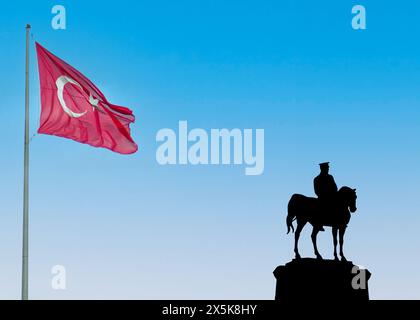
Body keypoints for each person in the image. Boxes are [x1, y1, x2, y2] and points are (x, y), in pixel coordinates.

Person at [313, 162, 338, 230]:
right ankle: (319, 223)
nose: (328, 169)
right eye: (327, 168)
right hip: (322, 198)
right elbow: (317, 191)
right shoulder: (317, 179)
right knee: (320, 209)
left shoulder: (330, 177)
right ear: (322, 169)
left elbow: (335, 188)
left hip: (332, 197)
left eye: (328, 168)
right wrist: (326, 195)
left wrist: (333, 194)